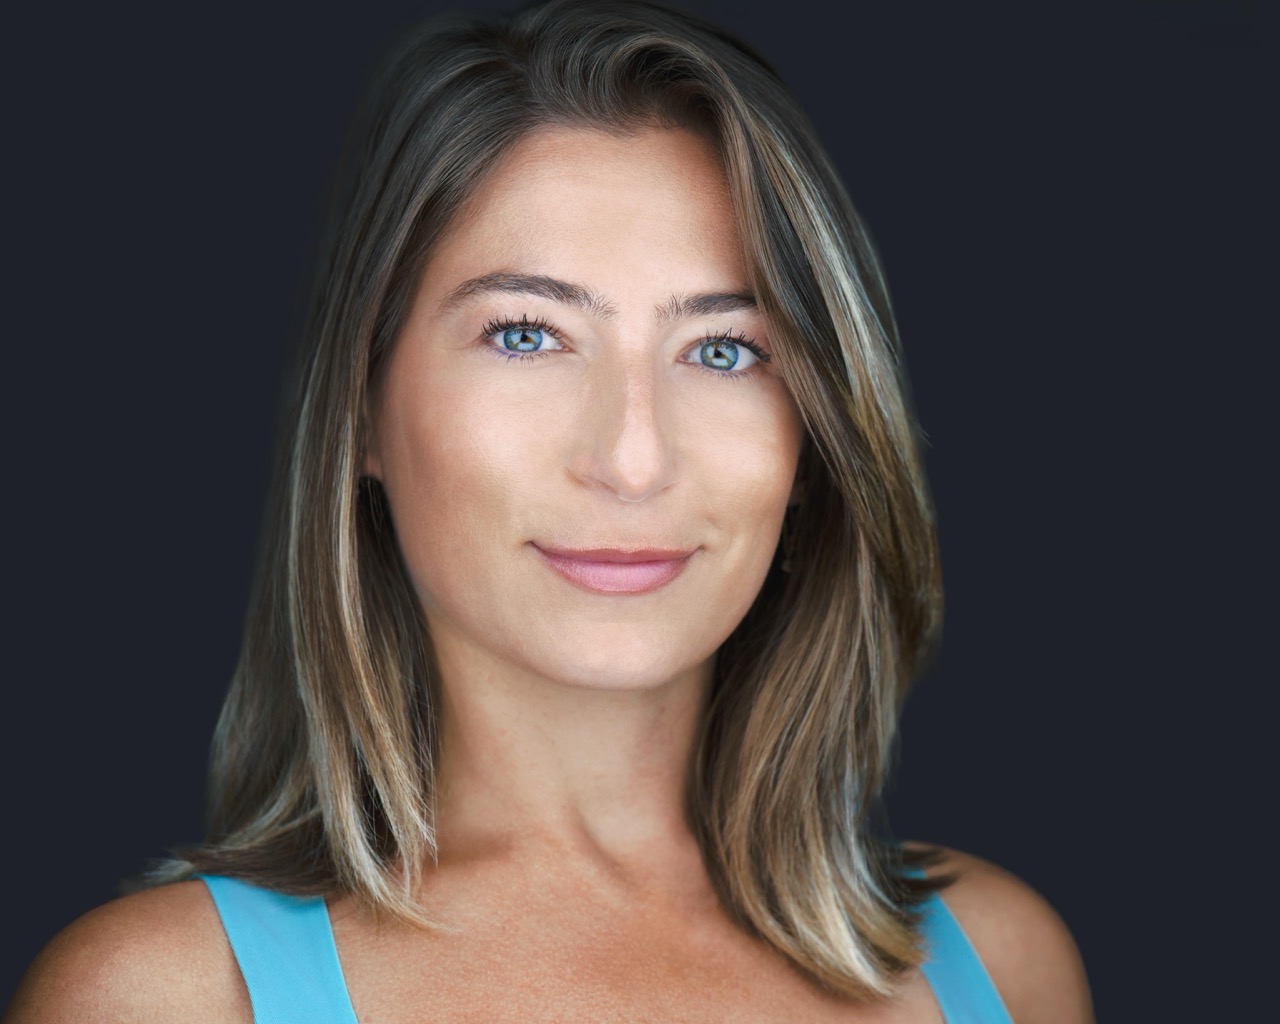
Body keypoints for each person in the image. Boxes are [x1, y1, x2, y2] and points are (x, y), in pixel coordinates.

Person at [6, 1, 1091, 1020]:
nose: (629, 457)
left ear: (812, 442)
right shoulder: (165, 997)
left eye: (722, 349)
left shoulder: (994, 964)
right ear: (361, 414)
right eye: (525, 333)